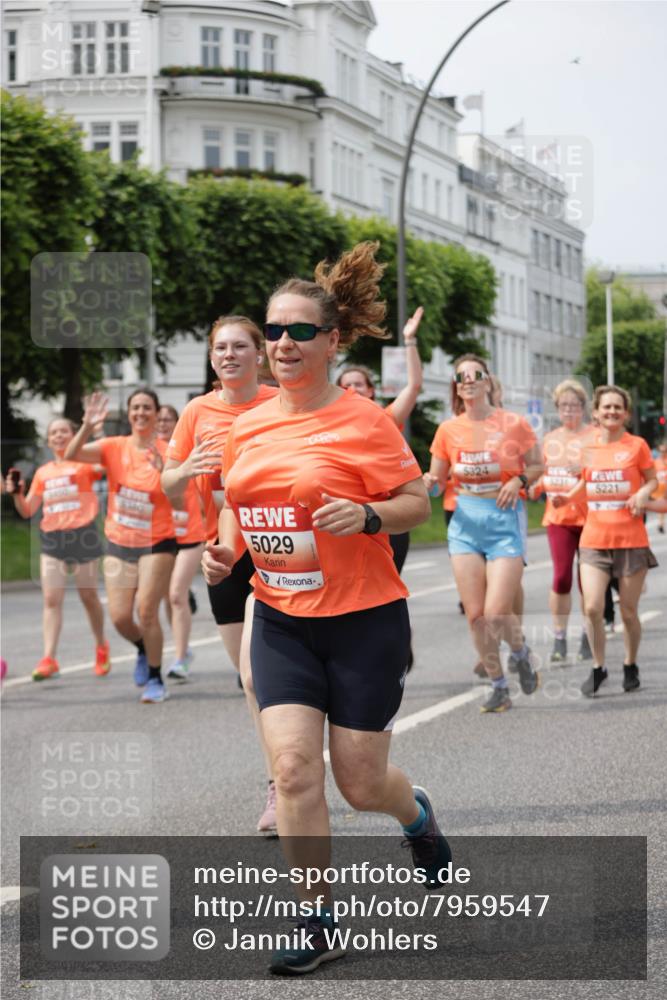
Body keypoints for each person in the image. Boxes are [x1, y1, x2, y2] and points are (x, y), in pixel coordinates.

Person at [202, 242, 450, 975]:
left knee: (360, 780)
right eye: (274, 331)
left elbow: (414, 503)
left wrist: (368, 517)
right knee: (292, 770)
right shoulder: (244, 424)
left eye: (299, 332)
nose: (282, 344)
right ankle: (318, 920)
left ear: (331, 339)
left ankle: (416, 815)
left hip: (363, 618)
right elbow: (237, 508)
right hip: (277, 615)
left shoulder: (363, 422)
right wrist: (224, 551)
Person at [161, 316, 279, 833]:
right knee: (249, 682)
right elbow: (167, 485)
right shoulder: (197, 411)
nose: (228, 355)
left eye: (239, 347)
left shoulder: (280, 404)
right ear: (212, 359)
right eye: (220, 349)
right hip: (221, 555)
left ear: (260, 354)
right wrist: (186, 471)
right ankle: (287, 772)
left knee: (259, 675)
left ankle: (282, 785)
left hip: (278, 549)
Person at [424, 355, 542, 713]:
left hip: (504, 521)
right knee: (476, 615)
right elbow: (437, 481)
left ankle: (520, 653)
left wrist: (520, 480)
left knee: (495, 612)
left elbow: (538, 465)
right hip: (464, 524)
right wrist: (428, 483)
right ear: (457, 387)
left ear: (489, 382)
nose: (469, 380)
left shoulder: (514, 423)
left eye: (477, 374)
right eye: (462, 376)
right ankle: (498, 685)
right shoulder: (448, 430)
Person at [65, 388, 177, 704]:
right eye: (135, 408)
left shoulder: (168, 451)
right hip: (120, 540)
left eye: (147, 408)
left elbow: (183, 500)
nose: (141, 413)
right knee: (119, 617)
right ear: (129, 414)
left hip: (158, 541)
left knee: (147, 610)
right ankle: (143, 647)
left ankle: (156, 679)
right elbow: (72, 454)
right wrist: (87, 425)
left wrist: (165, 475)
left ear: (157, 414)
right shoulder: (114, 446)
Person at [552, 386, 658, 696]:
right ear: (596, 413)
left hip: (631, 541)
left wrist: (641, 492)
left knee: (627, 611)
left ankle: (630, 663)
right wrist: (565, 499)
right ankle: (598, 668)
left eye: (618, 408)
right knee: (593, 607)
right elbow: (587, 482)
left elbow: (651, 479)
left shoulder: (636, 445)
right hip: (594, 541)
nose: (612, 412)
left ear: (626, 413)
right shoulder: (588, 448)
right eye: (606, 407)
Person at [5, 417, 109, 681]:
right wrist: (17, 494)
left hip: (83, 534)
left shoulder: (84, 463)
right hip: (53, 539)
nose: (59, 436)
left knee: (88, 598)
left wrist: (97, 431)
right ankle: (49, 658)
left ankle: (101, 646)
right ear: (48, 440)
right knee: (52, 600)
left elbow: (107, 461)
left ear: (73, 435)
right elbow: (28, 509)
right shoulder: (42, 472)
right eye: (54, 433)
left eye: (64, 431)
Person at [336, 305, 424, 576]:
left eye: (358, 384)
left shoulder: (383, 419)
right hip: (348, 523)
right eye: (345, 385)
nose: (352, 389)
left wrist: (409, 340)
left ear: (371, 391)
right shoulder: (328, 427)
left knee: (387, 591)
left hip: (386, 518)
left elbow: (414, 386)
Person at [530, 380, 593, 664]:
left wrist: (583, 469)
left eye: (575, 405)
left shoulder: (594, 436)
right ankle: (559, 637)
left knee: (587, 582)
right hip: (558, 517)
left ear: (583, 408)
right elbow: (545, 474)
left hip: (591, 518)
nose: (569, 410)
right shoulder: (550, 439)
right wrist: (536, 487)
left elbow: (601, 471)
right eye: (564, 405)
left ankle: (588, 635)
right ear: (558, 409)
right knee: (561, 577)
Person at [155, 405, 206, 681]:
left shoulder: (185, 449)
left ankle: (180, 658)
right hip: (162, 534)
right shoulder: (148, 452)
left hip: (190, 532)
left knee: (175, 594)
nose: (163, 423)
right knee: (168, 597)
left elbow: (200, 494)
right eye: (159, 419)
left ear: (177, 423)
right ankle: (180, 650)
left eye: (168, 419)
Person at [651, 439, 667, 533]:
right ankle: (660, 524)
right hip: (660, 488)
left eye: (665, 451)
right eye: (661, 451)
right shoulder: (655, 462)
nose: (663, 453)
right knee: (661, 507)